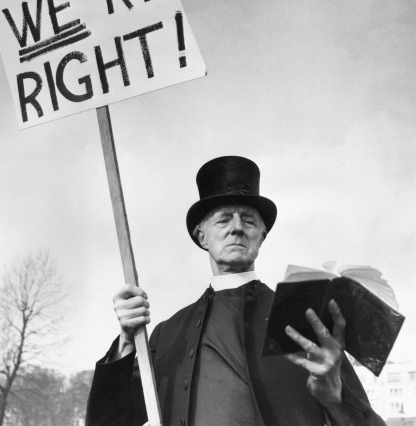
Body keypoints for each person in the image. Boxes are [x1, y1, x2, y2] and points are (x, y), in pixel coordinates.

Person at [86, 156, 386, 426]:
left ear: (262, 235)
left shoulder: (305, 320)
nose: (237, 228)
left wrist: (335, 397)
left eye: (249, 220)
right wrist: (126, 341)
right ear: (201, 236)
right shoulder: (167, 334)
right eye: (223, 219)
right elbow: (107, 423)